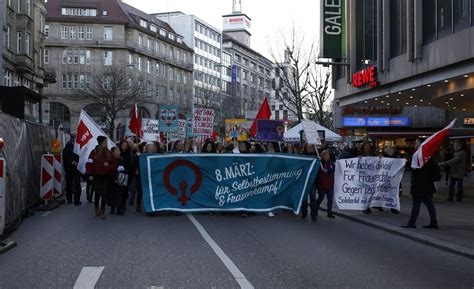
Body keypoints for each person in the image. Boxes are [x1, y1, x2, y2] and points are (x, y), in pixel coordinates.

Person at [402, 139, 439, 229]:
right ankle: (433, 222)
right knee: (428, 203)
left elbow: (410, 166)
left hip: (419, 184)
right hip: (426, 185)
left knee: (416, 203)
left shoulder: (419, 155)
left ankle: (412, 222)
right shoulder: (429, 156)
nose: (415, 144)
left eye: (417, 143)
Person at [86, 136, 116, 219]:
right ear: (101, 142)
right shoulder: (94, 152)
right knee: (98, 192)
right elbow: (89, 163)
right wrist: (90, 174)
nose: (106, 143)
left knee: (104, 193)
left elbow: (113, 163)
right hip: (96, 176)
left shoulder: (109, 152)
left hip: (106, 176)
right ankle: (96, 208)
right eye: (105, 142)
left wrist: (109, 167)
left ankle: (103, 211)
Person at [314, 150, 336, 219]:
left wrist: (328, 171)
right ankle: (315, 210)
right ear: (322, 156)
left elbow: (333, 169)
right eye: (325, 155)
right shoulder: (320, 163)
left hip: (330, 184)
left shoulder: (331, 163)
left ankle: (329, 213)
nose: (327, 156)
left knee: (330, 199)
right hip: (322, 185)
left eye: (328, 155)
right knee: (320, 198)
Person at [62, 132, 82, 205]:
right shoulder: (68, 146)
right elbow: (65, 157)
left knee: (77, 184)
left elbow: (80, 155)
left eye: (74, 137)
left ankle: (76, 200)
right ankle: (70, 199)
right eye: (72, 137)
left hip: (76, 169)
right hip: (70, 169)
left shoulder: (78, 146)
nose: (73, 139)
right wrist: (73, 162)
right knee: (69, 185)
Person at [300, 143, 319, 221]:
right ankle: (304, 213)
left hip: (313, 181)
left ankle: (313, 215)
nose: (309, 148)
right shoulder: (302, 155)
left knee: (312, 198)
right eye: (308, 147)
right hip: (304, 180)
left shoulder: (317, 155)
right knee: (304, 198)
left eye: (311, 147)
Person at [359, 141, 376, 214]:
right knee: (364, 193)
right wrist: (358, 159)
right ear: (363, 147)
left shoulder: (373, 155)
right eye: (365, 146)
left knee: (371, 193)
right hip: (363, 178)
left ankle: (368, 206)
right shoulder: (360, 155)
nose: (367, 147)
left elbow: (378, 163)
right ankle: (364, 207)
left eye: (368, 146)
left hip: (371, 178)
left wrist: (380, 158)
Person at [110, 147, 128, 216]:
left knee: (120, 194)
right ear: (113, 152)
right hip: (112, 179)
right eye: (116, 151)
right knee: (112, 194)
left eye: (119, 151)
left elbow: (124, 169)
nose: (118, 152)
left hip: (121, 179)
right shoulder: (111, 160)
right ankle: (112, 208)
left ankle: (119, 209)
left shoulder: (121, 159)